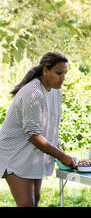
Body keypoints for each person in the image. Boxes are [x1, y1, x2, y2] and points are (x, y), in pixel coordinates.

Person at [0, 51, 77, 207]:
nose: (63, 77)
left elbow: (51, 126)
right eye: (58, 73)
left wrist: (60, 150)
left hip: (32, 154)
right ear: (45, 70)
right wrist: (62, 156)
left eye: (65, 73)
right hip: (14, 153)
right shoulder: (33, 92)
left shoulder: (56, 92)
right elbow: (33, 135)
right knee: (27, 203)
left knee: (36, 197)